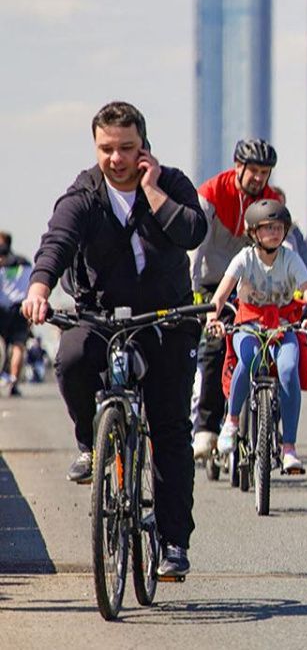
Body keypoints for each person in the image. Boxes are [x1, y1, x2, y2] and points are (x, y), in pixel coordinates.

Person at [22, 101, 207, 578]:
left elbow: (193, 231)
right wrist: (40, 288)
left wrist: (153, 191)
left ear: (143, 147)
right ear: (96, 148)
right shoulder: (84, 194)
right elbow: (57, 242)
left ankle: (172, 544)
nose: (116, 158)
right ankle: (90, 443)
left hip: (165, 318)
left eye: (126, 148)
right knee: (74, 357)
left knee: (169, 429)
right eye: (107, 149)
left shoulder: (171, 183)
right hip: (99, 316)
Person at [189, 139, 289, 458]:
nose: (259, 178)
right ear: (238, 167)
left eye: (265, 172)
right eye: (254, 171)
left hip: (249, 284)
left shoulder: (270, 200)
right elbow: (195, 248)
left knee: (270, 341)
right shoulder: (212, 193)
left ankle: (264, 417)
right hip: (210, 280)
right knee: (216, 347)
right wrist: (197, 298)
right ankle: (205, 427)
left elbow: (288, 248)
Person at [207, 199, 307, 472]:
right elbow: (221, 295)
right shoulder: (245, 258)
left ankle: (289, 449)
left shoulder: (291, 258)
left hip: (283, 325)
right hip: (248, 323)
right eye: (267, 228)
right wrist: (213, 317)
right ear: (254, 232)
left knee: (288, 368)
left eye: (279, 227)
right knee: (248, 362)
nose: (274, 233)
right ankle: (232, 421)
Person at [0, 232, 33, 396]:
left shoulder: (2, 264)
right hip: (20, 309)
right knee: (18, 346)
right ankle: (13, 381)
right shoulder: (25, 263)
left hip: (2, 310)